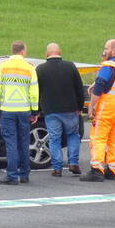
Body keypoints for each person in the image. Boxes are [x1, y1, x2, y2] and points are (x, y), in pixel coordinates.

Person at [81, 38, 115, 182]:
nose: (104, 51)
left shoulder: (109, 66)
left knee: (98, 138)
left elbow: (100, 85)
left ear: (112, 50)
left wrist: (92, 106)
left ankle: (97, 170)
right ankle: (114, 170)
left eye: (106, 48)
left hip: (108, 109)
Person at [0, 41, 39, 185]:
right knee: (24, 142)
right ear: (23, 51)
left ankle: (12, 176)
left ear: (12, 51)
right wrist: (35, 110)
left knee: (11, 143)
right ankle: (24, 174)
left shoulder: (3, 67)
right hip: (24, 111)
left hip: (7, 111)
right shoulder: (29, 68)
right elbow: (34, 91)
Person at [36, 43, 86, 177]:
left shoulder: (40, 69)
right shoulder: (70, 66)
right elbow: (79, 88)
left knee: (54, 139)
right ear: (60, 52)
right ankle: (73, 163)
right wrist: (80, 107)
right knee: (73, 135)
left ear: (46, 54)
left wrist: (38, 109)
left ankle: (57, 168)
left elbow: (36, 91)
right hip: (70, 109)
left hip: (51, 111)